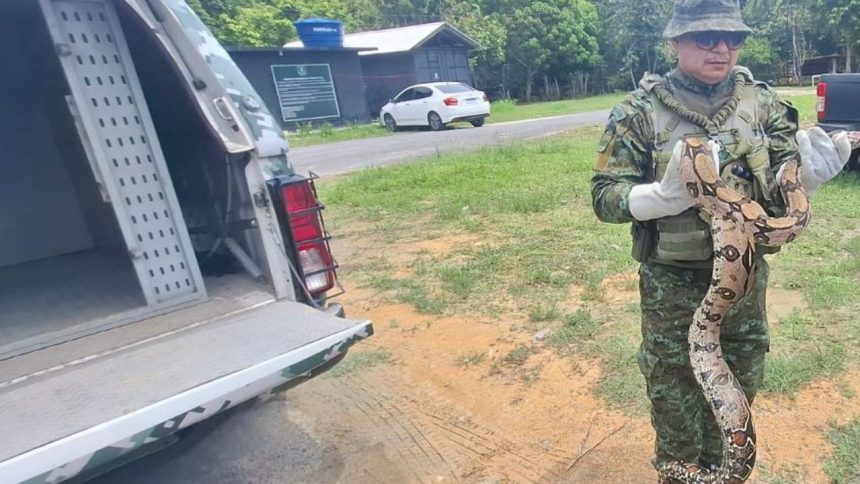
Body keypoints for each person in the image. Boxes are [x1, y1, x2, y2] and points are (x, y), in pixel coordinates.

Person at [591, 0, 852, 480]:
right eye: (707, 37)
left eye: (733, 38)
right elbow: (604, 196)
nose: (722, 49)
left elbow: (783, 176)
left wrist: (804, 182)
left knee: (740, 385)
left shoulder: (764, 104)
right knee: (673, 391)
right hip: (670, 286)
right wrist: (657, 198)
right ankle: (679, 470)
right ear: (675, 42)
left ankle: (719, 468)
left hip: (746, 286)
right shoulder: (637, 111)